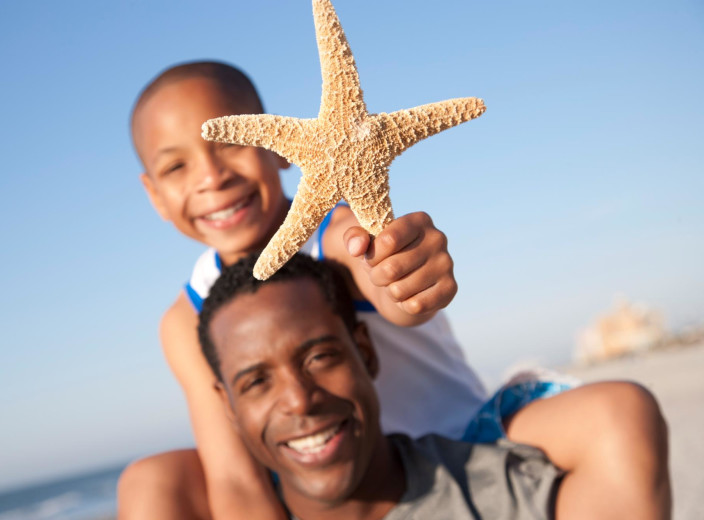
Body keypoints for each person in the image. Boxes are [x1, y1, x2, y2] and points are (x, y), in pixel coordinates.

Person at [118, 60, 670, 519]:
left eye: (231, 142)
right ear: (153, 195)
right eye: (176, 167)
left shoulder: (338, 233)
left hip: (460, 441)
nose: (211, 177)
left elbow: (386, 287)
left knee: (618, 416)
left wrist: (408, 283)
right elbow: (234, 477)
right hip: (330, 476)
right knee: (153, 482)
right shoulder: (184, 321)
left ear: (279, 141)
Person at [197, 253, 561, 520]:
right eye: (257, 381)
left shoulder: (510, 495)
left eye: (319, 357)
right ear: (227, 406)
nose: (299, 401)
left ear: (365, 352)